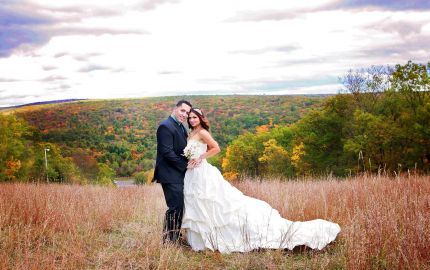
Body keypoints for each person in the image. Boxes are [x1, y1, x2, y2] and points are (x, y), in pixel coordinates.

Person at [181, 108, 341, 253]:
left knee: (214, 202)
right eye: (190, 118)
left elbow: (216, 148)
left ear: (201, 118)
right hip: (192, 173)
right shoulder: (191, 133)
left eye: (195, 117)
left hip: (203, 172)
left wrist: (201, 157)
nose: (192, 120)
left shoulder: (202, 132)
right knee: (199, 204)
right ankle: (202, 239)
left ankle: (219, 237)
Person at [153, 100, 192, 244]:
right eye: (183, 111)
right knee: (175, 207)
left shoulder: (181, 127)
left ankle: (175, 236)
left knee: (180, 206)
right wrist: (186, 165)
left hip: (178, 173)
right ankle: (169, 240)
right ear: (175, 109)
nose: (185, 115)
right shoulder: (165, 126)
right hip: (169, 174)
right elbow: (167, 152)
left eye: (187, 113)